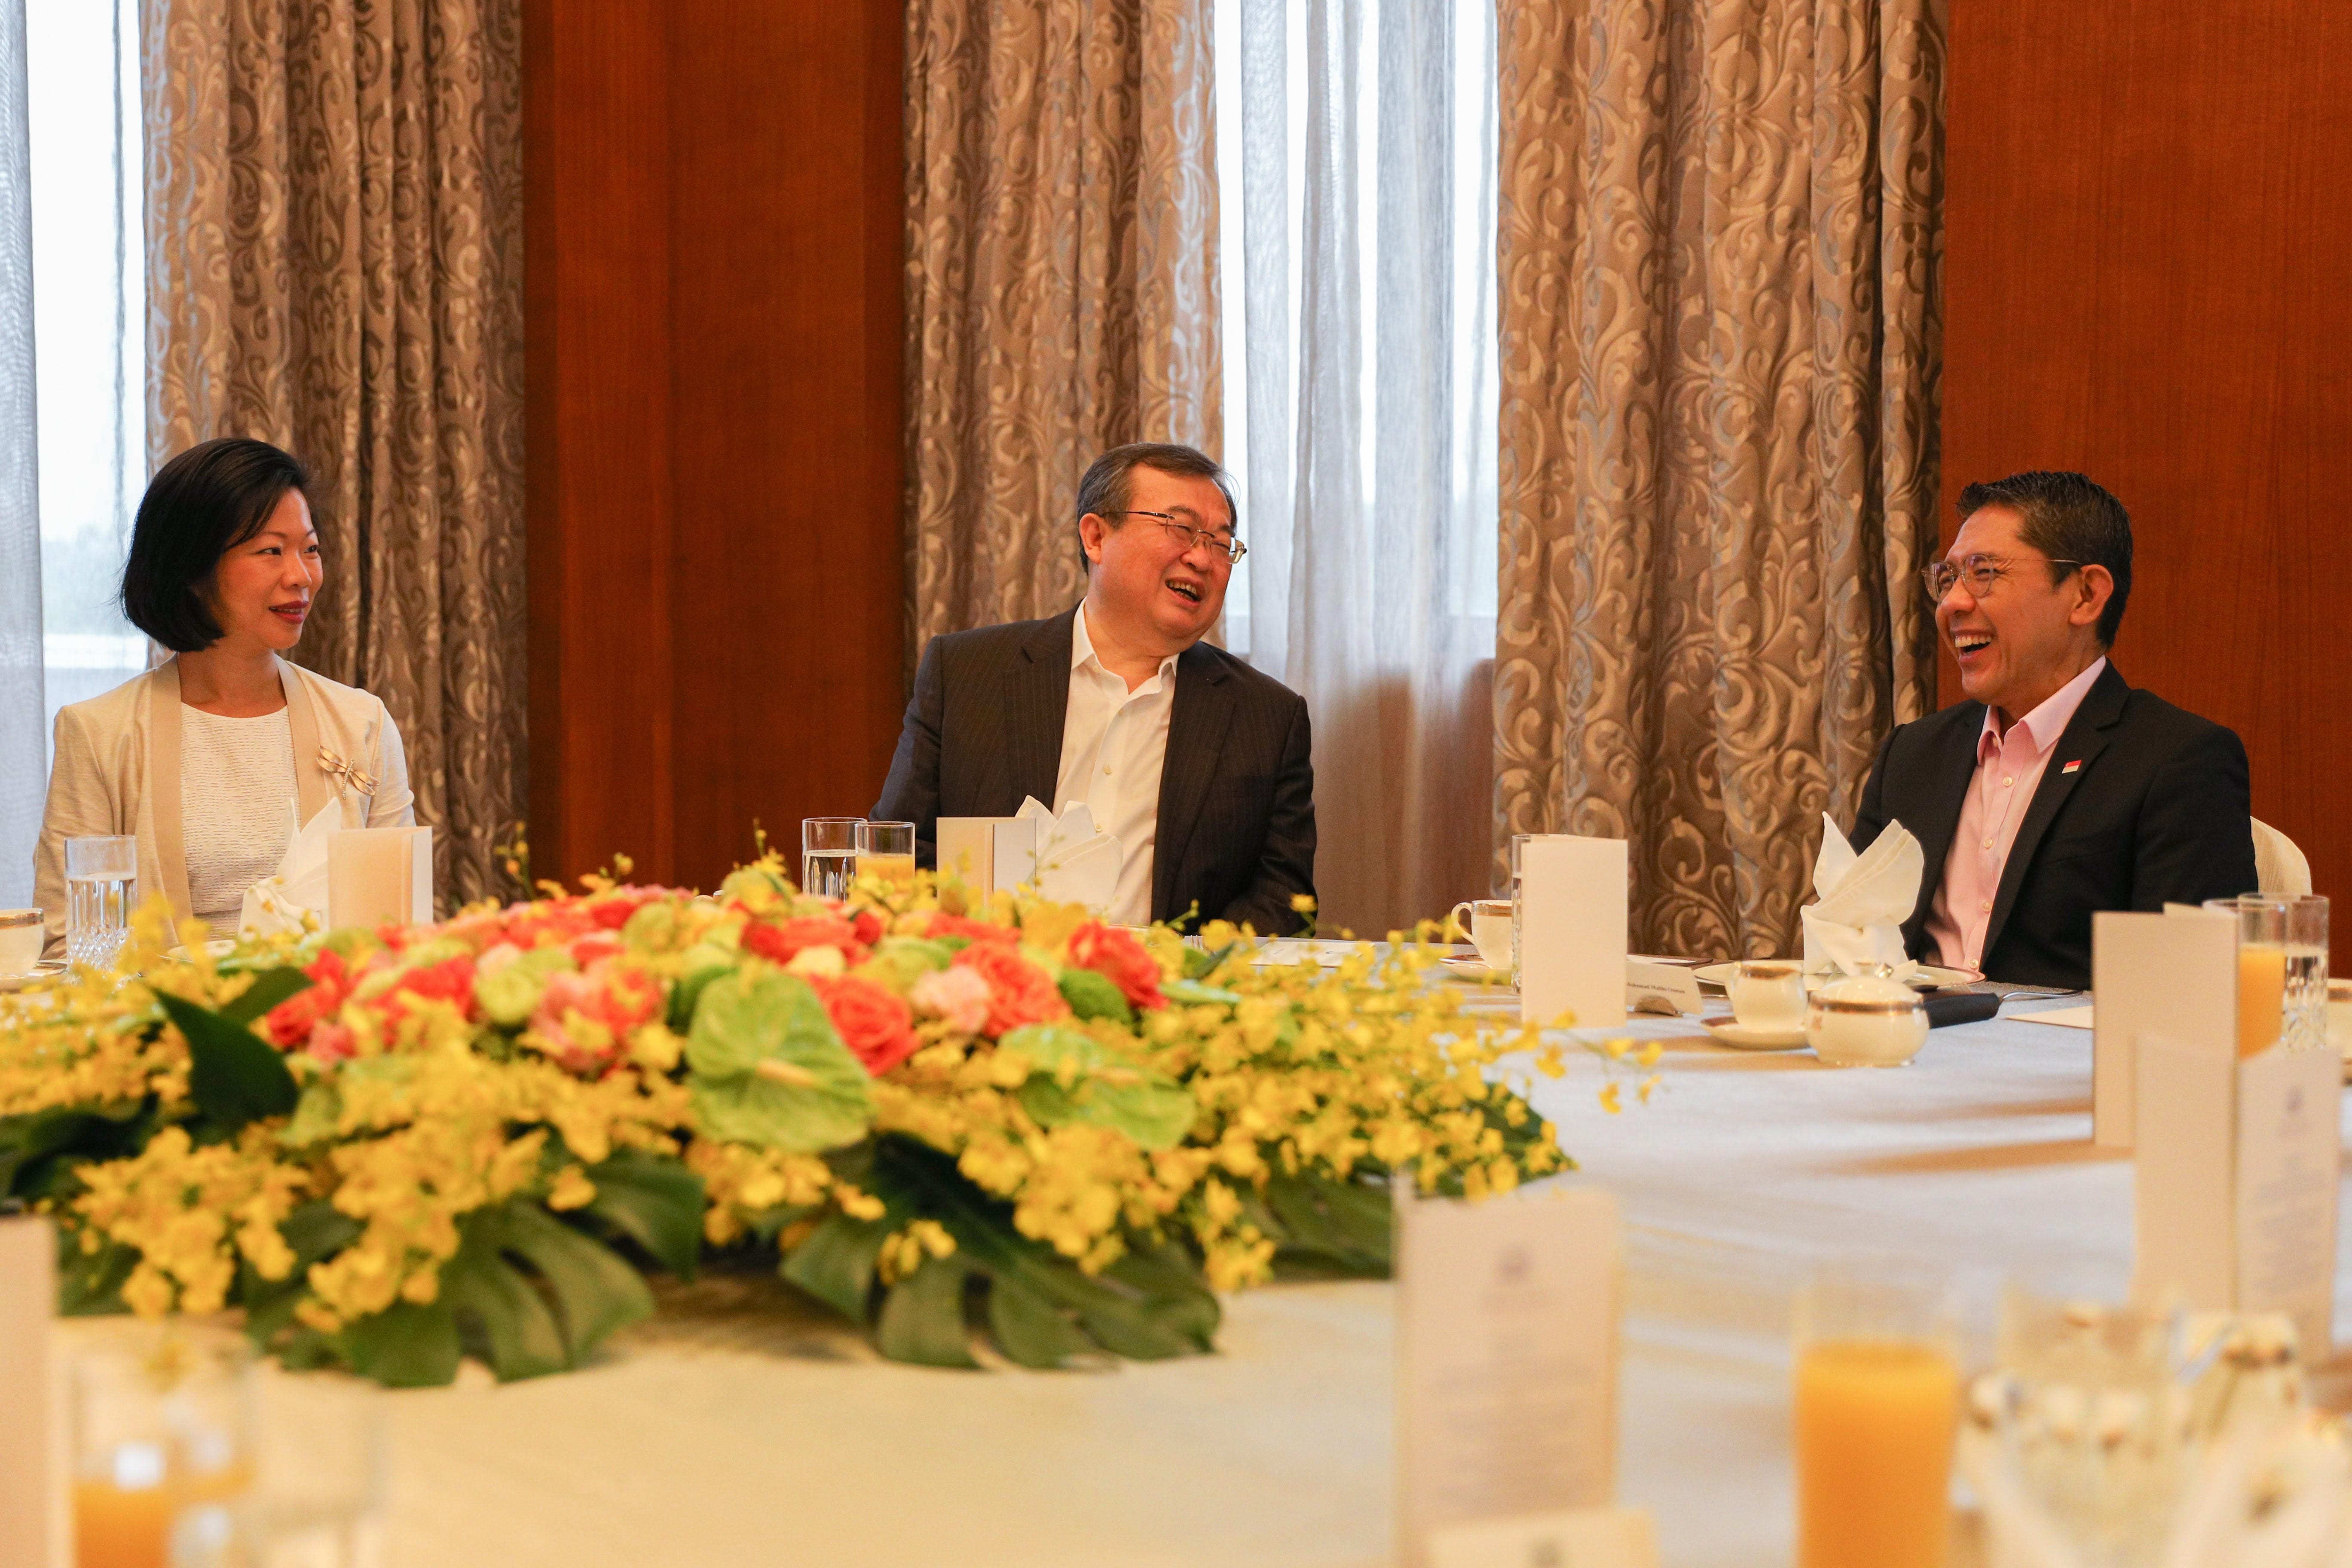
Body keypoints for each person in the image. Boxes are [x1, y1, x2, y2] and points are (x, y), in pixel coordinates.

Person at [873, 442, 1315, 933]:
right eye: (1182, 529)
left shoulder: (1267, 717)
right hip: (998, 983)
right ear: (1096, 536)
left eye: (1221, 543)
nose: (1203, 559)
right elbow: (897, 852)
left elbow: (1284, 899)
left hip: (1169, 997)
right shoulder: (967, 673)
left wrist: (1180, 972)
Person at [1850, 471, 2256, 990]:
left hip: (2067, 1064)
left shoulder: (2178, 761)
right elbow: (1848, 942)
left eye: (1984, 573)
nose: (1951, 603)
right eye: (1948, 578)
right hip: (1900, 1051)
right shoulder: (1913, 754)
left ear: (2085, 596)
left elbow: (2187, 993)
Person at [34, 438, 414, 957]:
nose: (301, 576)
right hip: (167, 1026)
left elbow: (400, 928)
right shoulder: (100, 732)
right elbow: (67, 943)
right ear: (192, 568)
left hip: (326, 1024)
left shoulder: (360, 721)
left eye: (311, 549)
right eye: (271, 551)